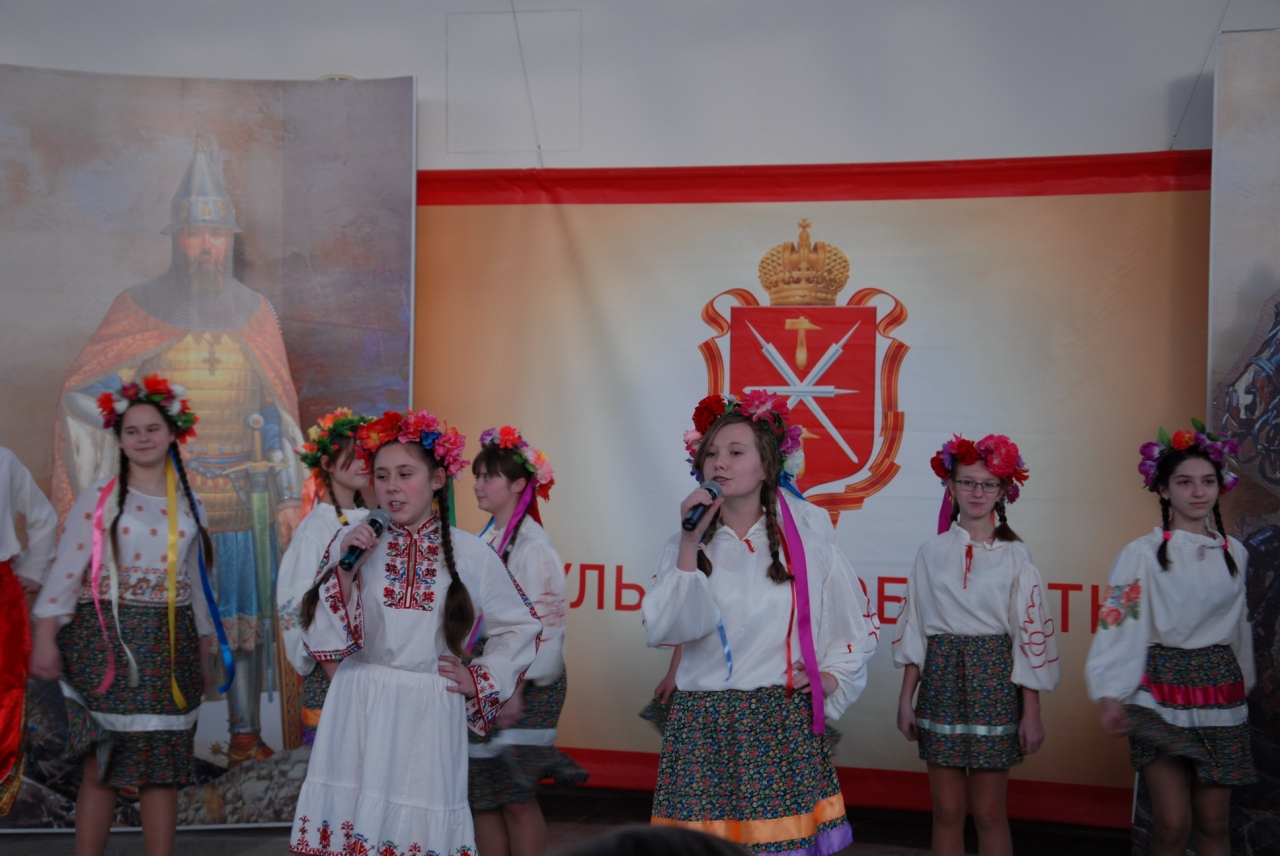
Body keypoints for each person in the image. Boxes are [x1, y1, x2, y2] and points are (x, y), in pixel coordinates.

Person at [52, 131, 305, 764]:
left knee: (244, 624)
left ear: (230, 240)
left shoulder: (256, 313)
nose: (206, 245)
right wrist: (136, 416)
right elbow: (83, 391)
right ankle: (166, 741)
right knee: (163, 624)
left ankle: (244, 735)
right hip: (160, 504)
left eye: (216, 234)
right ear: (176, 240)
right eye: (195, 234)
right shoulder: (136, 307)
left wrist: (286, 496)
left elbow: (277, 415)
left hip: (243, 500)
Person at [289, 410, 541, 856]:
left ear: (438, 480)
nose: (391, 487)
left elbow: (521, 625)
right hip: (359, 702)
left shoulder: (471, 553)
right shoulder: (353, 544)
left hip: (427, 708)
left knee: (414, 827)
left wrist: (480, 678)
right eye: (382, 476)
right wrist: (344, 572)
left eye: (405, 474)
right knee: (353, 821)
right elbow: (319, 626)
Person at [642, 392, 877, 855]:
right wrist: (690, 543)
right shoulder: (681, 546)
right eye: (712, 453)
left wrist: (830, 677)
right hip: (701, 726)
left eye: (735, 452)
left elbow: (854, 631)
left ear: (767, 466)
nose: (720, 463)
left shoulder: (810, 549)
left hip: (775, 725)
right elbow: (668, 627)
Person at [29, 376, 228, 856]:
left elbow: (200, 583)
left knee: (162, 769)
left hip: (169, 645)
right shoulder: (99, 497)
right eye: (131, 430)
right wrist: (45, 636)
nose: (142, 438)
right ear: (118, 439)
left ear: (172, 433)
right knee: (103, 764)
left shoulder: (192, 504)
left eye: (152, 429)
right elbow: (67, 569)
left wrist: (205, 647)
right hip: (106, 645)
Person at [1085, 421, 1255, 856]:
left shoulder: (1235, 553)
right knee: (1172, 824)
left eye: (1207, 481)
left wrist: (1245, 683)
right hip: (1160, 689)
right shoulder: (1140, 554)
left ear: (1220, 485)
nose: (1198, 492)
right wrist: (1111, 693)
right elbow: (1119, 622)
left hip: (1219, 690)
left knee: (1214, 822)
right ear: (1163, 489)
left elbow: (1240, 627)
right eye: (1184, 482)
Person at [893, 434, 1059, 856]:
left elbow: (1028, 636)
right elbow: (917, 628)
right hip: (942, 680)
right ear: (951, 487)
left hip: (994, 683)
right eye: (968, 482)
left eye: (988, 484)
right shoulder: (931, 551)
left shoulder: (1016, 555)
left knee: (988, 812)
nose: (977, 492)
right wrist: (906, 699)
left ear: (1003, 491)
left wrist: (1032, 711)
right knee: (947, 811)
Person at [469, 425, 587, 856]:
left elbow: (543, 625)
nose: (479, 485)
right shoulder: (486, 538)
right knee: (482, 793)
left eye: (489, 477)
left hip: (522, 683)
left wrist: (513, 688)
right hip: (486, 675)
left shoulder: (533, 546)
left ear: (519, 485)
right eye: (477, 476)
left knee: (515, 796)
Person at [276, 408, 373, 745]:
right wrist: (335, 669)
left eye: (367, 454)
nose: (364, 463)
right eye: (354, 456)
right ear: (328, 465)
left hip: (372, 664)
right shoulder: (315, 528)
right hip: (334, 670)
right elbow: (301, 602)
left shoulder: (372, 519)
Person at [0, 446, 58, 814]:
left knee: (4, 689)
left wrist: (35, 570)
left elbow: (44, 517)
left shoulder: (3, 460)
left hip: (1, 591)